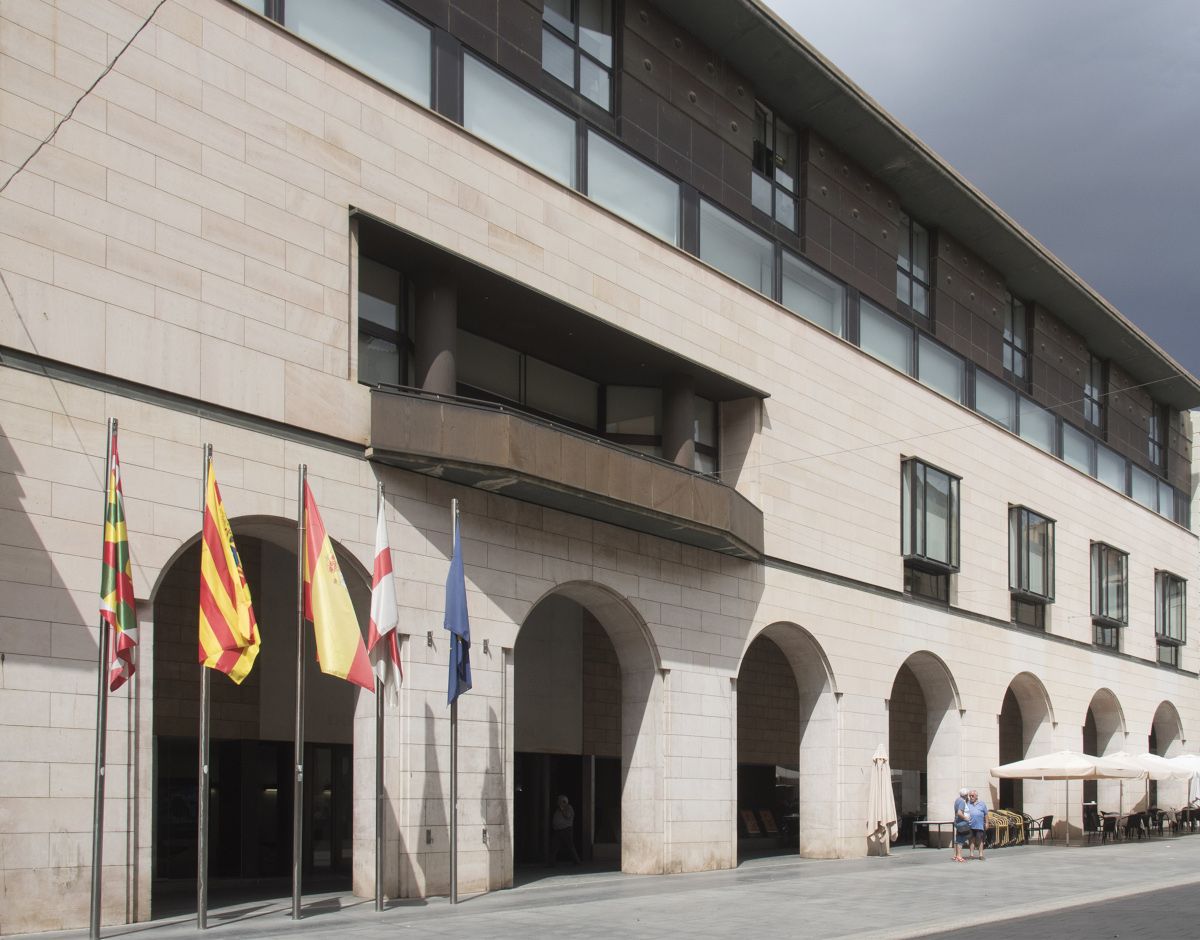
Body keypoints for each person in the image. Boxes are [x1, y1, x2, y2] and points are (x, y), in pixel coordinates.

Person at [549, 794, 581, 866]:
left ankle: (577, 861)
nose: (558, 802)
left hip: (566, 830)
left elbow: (567, 816)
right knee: (554, 846)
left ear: (563, 801)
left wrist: (562, 808)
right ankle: (551, 863)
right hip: (558, 831)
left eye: (559, 800)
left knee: (570, 846)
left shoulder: (568, 807)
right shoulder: (558, 809)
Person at [967, 789, 988, 860]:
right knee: (971, 839)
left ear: (976, 796)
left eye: (972, 796)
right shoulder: (968, 803)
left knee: (980, 840)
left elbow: (986, 814)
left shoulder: (982, 804)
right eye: (970, 796)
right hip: (970, 825)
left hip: (979, 825)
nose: (971, 797)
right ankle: (971, 855)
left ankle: (981, 855)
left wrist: (987, 822)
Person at [952, 788, 969, 863]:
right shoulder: (962, 801)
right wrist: (966, 818)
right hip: (962, 822)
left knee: (958, 839)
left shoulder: (957, 800)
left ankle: (956, 855)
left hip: (957, 822)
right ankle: (959, 856)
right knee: (961, 840)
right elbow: (959, 812)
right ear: (966, 795)